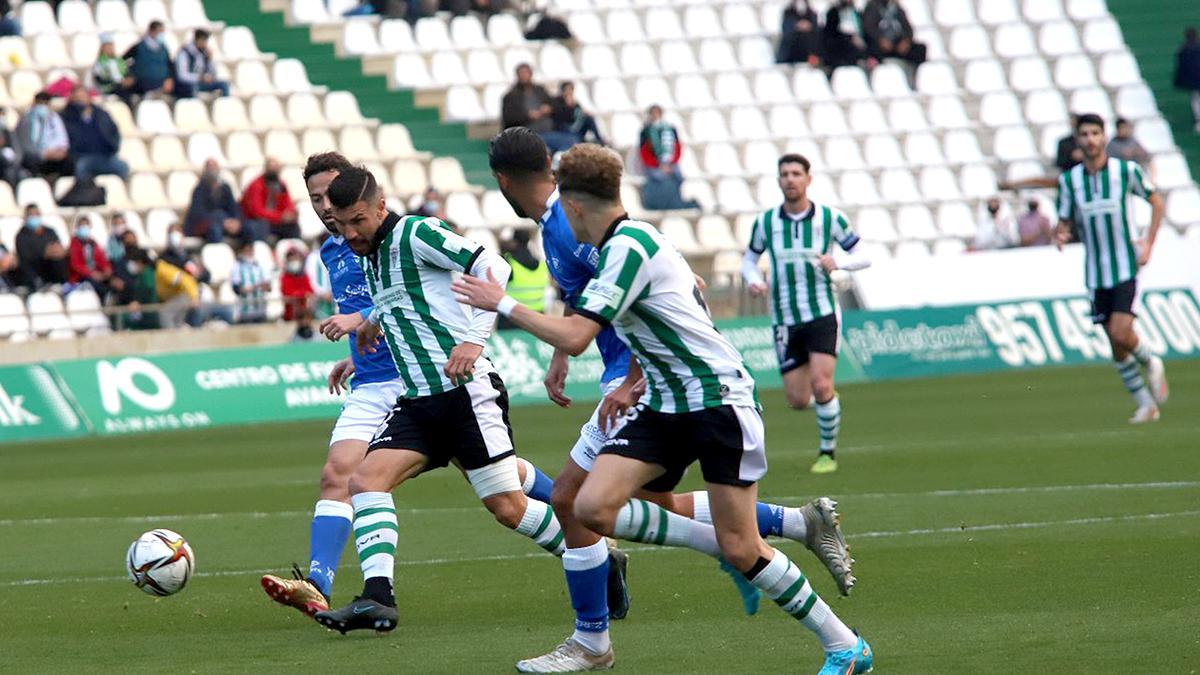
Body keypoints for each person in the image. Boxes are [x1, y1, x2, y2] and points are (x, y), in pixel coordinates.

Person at [455, 143, 873, 675]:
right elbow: (668, 304)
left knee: (743, 545)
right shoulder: (621, 244)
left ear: (578, 209)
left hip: (717, 402)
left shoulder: (627, 248)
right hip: (661, 400)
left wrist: (503, 304)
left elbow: (582, 334)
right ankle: (599, 639)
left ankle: (843, 645)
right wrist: (632, 378)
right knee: (585, 506)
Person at [259, 152, 558, 620]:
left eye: (352, 214)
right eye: (324, 206)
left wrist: (473, 341)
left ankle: (591, 546)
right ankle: (375, 598)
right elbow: (401, 300)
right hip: (414, 396)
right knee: (360, 479)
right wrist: (367, 334)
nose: (340, 221)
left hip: (461, 389)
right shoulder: (365, 251)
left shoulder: (416, 232)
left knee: (505, 503)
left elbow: (495, 270)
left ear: (376, 205)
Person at [743, 155, 869, 475]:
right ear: (778, 180)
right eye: (784, 174)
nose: (790, 179)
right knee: (798, 399)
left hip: (822, 313)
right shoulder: (766, 222)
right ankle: (829, 405)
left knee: (821, 382)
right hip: (785, 319)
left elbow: (863, 255)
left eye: (796, 173)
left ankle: (827, 452)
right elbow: (749, 260)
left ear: (808, 179)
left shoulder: (830, 218)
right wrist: (754, 280)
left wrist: (838, 263)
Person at [1056, 113, 1168, 423]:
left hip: (1124, 266)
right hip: (1094, 273)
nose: (1090, 139)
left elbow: (1157, 202)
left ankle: (1150, 359)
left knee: (1121, 332)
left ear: (1103, 137)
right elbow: (1064, 219)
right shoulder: (1070, 181)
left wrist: (1149, 243)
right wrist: (1061, 232)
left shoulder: (1125, 171)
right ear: (1078, 140)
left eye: (1095, 133)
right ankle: (1146, 404)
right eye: (1085, 134)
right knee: (1115, 344)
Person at [501, 63, 576, 154]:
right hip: (528, 134)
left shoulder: (540, 91)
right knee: (566, 142)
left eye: (526, 73)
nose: (524, 75)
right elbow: (508, 118)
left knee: (573, 138)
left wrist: (549, 108)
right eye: (522, 73)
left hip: (549, 130)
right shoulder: (511, 96)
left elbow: (555, 105)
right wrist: (528, 115)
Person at [61, 85, 129, 183]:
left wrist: (112, 147)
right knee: (82, 167)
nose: (80, 100)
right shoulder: (66, 117)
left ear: (88, 98)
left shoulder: (102, 115)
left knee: (122, 167)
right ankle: (86, 194)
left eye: (82, 97)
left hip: (105, 156)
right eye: (77, 98)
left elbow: (113, 133)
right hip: (81, 157)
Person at [638, 105, 699, 211]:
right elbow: (644, 152)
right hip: (654, 165)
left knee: (678, 176)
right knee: (658, 177)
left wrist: (669, 163)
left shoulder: (670, 129)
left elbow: (677, 147)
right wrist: (659, 165)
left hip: (670, 163)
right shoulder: (646, 131)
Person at [128, 247, 199, 329]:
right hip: (175, 298)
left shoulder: (162, 270)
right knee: (176, 322)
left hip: (185, 296)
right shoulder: (153, 274)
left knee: (165, 313)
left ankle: (170, 339)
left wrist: (194, 297)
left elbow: (185, 280)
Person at [15, 91, 73, 180]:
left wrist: (59, 150)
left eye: (45, 103)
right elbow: (25, 144)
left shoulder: (54, 118)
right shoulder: (25, 120)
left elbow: (62, 138)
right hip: (34, 156)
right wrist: (42, 154)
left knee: (69, 163)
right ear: (34, 103)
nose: (42, 106)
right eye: (40, 103)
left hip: (53, 154)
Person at [241, 157, 299, 241]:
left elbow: (288, 203)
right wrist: (280, 217)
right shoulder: (256, 185)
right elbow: (256, 211)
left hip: (276, 221)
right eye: (271, 168)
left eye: (276, 168)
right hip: (257, 221)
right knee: (261, 226)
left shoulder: (281, 185)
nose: (273, 171)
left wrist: (290, 214)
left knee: (293, 226)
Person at [185, 158, 243, 243]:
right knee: (215, 231)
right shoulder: (199, 190)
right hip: (208, 225)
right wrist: (222, 221)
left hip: (227, 223)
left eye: (214, 166)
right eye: (209, 167)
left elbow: (233, 207)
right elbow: (198, 213)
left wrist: (236, 221)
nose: (212, 170)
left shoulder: (225, 188)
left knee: (248, 228)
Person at [13, 204, 68, 289]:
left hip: (51, 267)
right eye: (31, 215)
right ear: (26, 217)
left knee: (59, 260)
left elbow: (57, 247)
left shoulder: (50, 232)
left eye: (36, 214)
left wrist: (58, 251)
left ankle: (64, 284)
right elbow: (24, 257)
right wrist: (44, 253)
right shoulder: (21, 236)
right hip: (34, 270)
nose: (34, 217)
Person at [499, 228, 549, 316]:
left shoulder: (507, 262)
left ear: (514, 241)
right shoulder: (542, 265)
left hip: (512, 318)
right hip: (538, 318)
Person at [862, 0, 925, 69]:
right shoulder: (872, 6)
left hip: (898, 44)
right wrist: (880, 39)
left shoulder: (897, 7)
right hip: (880, 45)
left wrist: (906, 41)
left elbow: (908, 29)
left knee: (920, 49)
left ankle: (915, 74)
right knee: (872, 50)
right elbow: (868, 28)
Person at [174, 29, 230, 99]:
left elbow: (214, 74)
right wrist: (199, 77)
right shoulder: (185, 53)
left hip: (202, 83)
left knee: (224, 84)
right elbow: (182, 76)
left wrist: (210, 60)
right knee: (193, 88)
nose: (205, 43)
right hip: (187, 85)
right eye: (203, 40)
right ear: (197, 40)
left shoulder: (204, 53)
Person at [123, 20, 174, 97]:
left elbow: (169, 64)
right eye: (160, 31)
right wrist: (129, 75)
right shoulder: (138, 47)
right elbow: (122, 60)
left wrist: (169, 79)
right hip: (142, 84)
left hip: (161, 84)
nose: (162, 35)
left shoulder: (164, 48)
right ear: (152, 31)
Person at [67, 215, 114, 295]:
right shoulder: (74, 243)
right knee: (99, 287)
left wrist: (106, 268)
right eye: (82, 226)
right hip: (81, 277)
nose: (85, 228)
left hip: (96, 273)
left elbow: (101, 258)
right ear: (77, 228)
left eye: (86, 226)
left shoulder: (92, 243)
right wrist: (91, 273)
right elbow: (75, 265)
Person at [551, 82, 606, 146]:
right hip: (564, 128)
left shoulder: (575, 103)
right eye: (567, 89)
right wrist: (569, 106)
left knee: (589, 119)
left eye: (571, 89)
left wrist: (584, 113)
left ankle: (599, 140)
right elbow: (561, 116)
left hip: (575, 127)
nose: (569, 92)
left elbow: (579, 113)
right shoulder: (557, 101)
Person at [90, 33, 136, 106]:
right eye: (108, 46)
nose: (110, 48)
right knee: (125, 94)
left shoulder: (118, 60)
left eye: (111, 46)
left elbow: (125, 72)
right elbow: (100, 79)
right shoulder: (99, 63)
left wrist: (129, 78)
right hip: (109, 88)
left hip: (121, 85)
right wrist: (118, 83)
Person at [230, 239, 269, 323]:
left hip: (260, 309)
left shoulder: (260, 265)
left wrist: (265, 286)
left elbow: (268, 286)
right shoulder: (237, 267)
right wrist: (252, 288)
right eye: (246, 250)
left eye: (250, 250)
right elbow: (236, 289)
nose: (249, 253)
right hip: (245, 311)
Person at [823, 0, 868, 70]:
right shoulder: (833, 13)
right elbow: (830, 35)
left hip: (859, 49)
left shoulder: (857, 13)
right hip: (840, 53)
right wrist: (850, 38)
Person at [777, 0, 823, 66]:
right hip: (791, 53)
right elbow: (786, 31)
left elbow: (816, 30)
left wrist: (808, 26)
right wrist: (797, 26)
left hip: (807, 50)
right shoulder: (788, 13)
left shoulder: (812, 14)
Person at [1175, 27, 1200, 132]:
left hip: (1193, 81)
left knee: (1195, 99)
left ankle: (1198, 119)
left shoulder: (1183, 49)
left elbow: (1181, 68)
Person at [279, 246, 313, 322]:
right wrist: (301, 295)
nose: (294, 261)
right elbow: (288, 296)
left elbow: (310, 292)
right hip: (290, 317)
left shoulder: (304, 276)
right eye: (291, 259)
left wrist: (302, 295)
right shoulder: (285, 277)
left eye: (296, 259)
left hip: (305, 317)